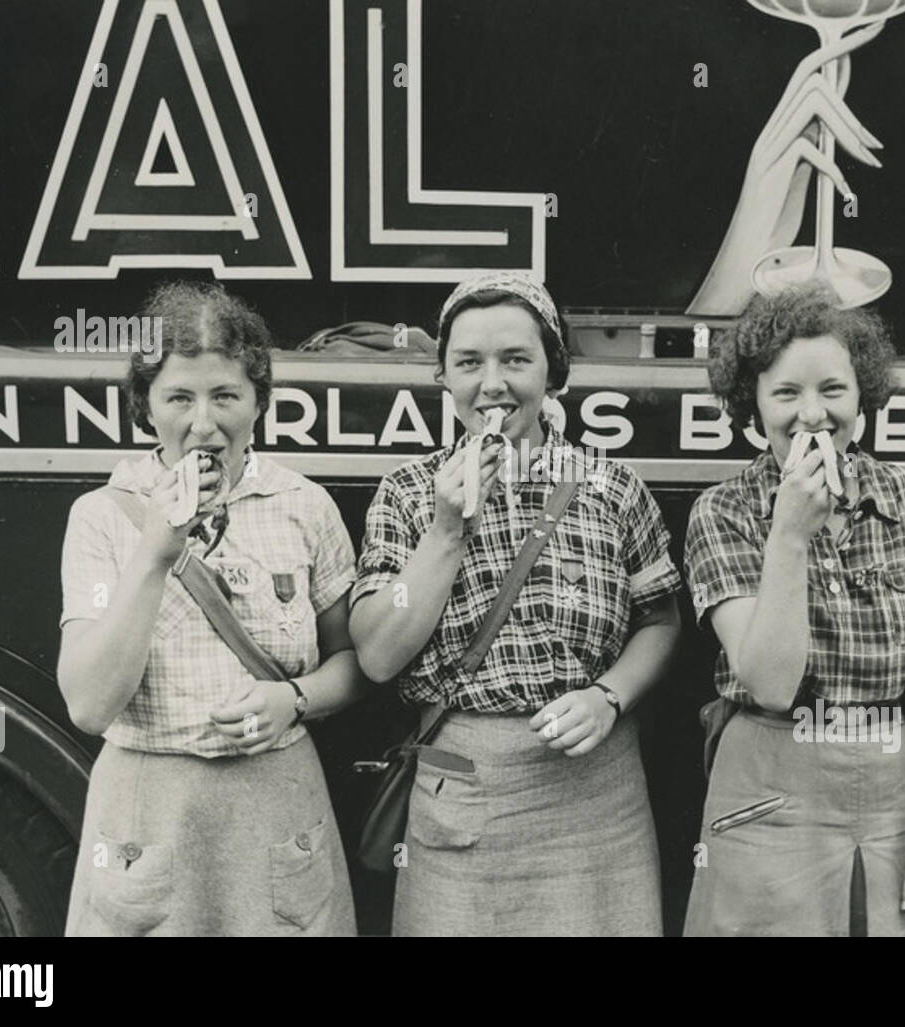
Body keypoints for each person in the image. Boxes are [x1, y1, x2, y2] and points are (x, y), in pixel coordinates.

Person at [348, 271, 683, 936]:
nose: (492, 384)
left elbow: (661, 619)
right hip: (462, 789)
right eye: (468, 362)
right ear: (443, 377)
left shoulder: (610, 486)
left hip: (597, 797)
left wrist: (609, 695)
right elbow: (379, 653)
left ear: (553, 374)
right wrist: (446, 530)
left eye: (516, 359)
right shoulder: (409, 493)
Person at [57, 281, 367, 936]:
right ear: (145, 408)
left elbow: (354, 663)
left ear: (258, 401)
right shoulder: (100, 519)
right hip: (147, 813)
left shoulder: (304, 507)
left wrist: (295, 699)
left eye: (225, 394)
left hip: (277, 806)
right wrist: (153, 554)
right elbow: (88, 705)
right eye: (179, 397)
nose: (204, 421)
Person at [683, 285, 905, 936]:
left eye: (833, 390)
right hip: (769, 793)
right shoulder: (724, 512)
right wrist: (788, 535)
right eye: (786, 392)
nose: (812, 413)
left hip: (901, 793)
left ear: (861, 396)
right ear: (752, 405)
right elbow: (771, 682)